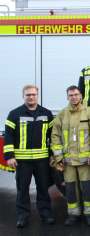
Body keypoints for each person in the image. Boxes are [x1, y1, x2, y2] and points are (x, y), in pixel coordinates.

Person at [4, 85, 55, 228]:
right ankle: (23, 217)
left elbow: (52, 137)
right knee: (22, 189)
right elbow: (8, 137)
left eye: (33, 94)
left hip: (42, 160)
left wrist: (52, 155)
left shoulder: (47, 114)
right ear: (23, 97)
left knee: (43, 188)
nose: (31, 97)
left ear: (38, 96)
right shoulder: (14, 114)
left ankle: (45, 215)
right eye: (28, 95)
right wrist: (9, 157)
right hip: (22, 161)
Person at [51, 86, 90, 226]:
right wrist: (59, 157)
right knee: (71, 189)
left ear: (81, 96)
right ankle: (74, 214)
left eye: (76, 95)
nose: (74, 97)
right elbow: (55, 137)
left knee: (88, 188)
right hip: (68, 160)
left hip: (85, 161)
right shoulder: (61, 114)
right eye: (71, 95)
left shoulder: (89, 113)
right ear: (67, 97)